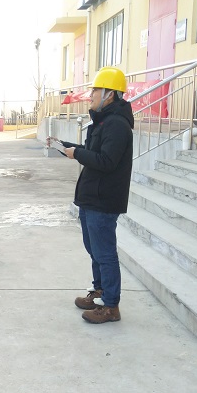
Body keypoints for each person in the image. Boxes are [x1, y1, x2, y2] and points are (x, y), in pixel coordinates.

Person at [62, 66, 133, 324]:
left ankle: (111, 306)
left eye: (96, 90)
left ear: (110, 94)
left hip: (104, 201)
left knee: (105, 254)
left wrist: (79, 154)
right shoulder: (103, 121)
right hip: (92, 198)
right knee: (94, 250)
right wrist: (70, 148)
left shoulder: (117, 125)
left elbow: (106, 161)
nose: (91, 94)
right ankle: (100, 291)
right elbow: (94, 152)